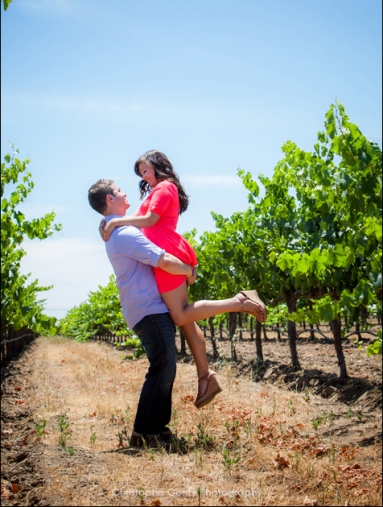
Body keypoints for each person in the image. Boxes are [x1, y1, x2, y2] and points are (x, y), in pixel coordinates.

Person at [100, 151, 267, 409]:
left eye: (145, 170)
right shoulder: (157, 190)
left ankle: (240, 301)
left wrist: (117, 221)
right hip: (165, 251)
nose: (143, 177)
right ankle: (205, 378)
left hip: (167, 253)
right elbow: (140, 223)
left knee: (180, 315)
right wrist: (109, 222)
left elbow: (150, 220)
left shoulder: (166, 187)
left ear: (157, 167)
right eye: (141, 173)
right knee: (187, 322)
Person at [89, 179, 197, 448]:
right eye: (119, 190)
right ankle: (143, 433)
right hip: (148, 308)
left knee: (166, 366)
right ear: (110, 200)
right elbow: (161, 259)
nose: (125, 193)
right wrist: (189, 270)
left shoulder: (120, 229)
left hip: (146, 307)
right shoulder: (125, 235)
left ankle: (157, 428)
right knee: (162, 366)